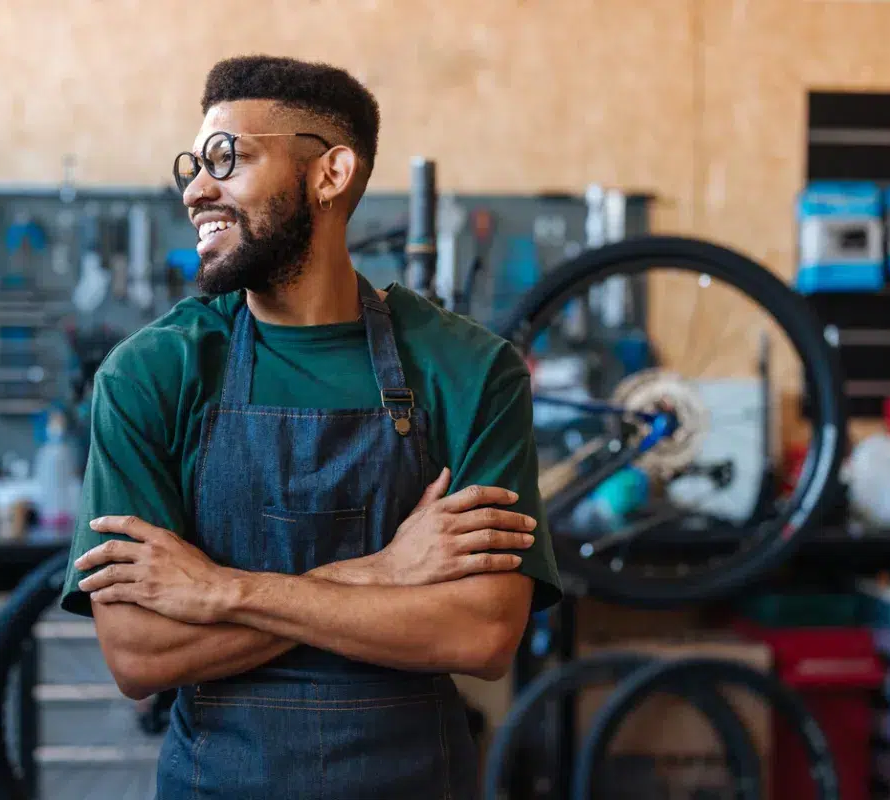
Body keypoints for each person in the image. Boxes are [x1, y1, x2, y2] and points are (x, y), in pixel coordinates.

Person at [60, 54, 561, 800]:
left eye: (229, 159)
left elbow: (480, 635)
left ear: (330, 174)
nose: (198, 189)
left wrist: (221, 593)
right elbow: (138, 651)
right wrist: (382, 574)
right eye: (192, 166)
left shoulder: (468, 369)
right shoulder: (152, 375)